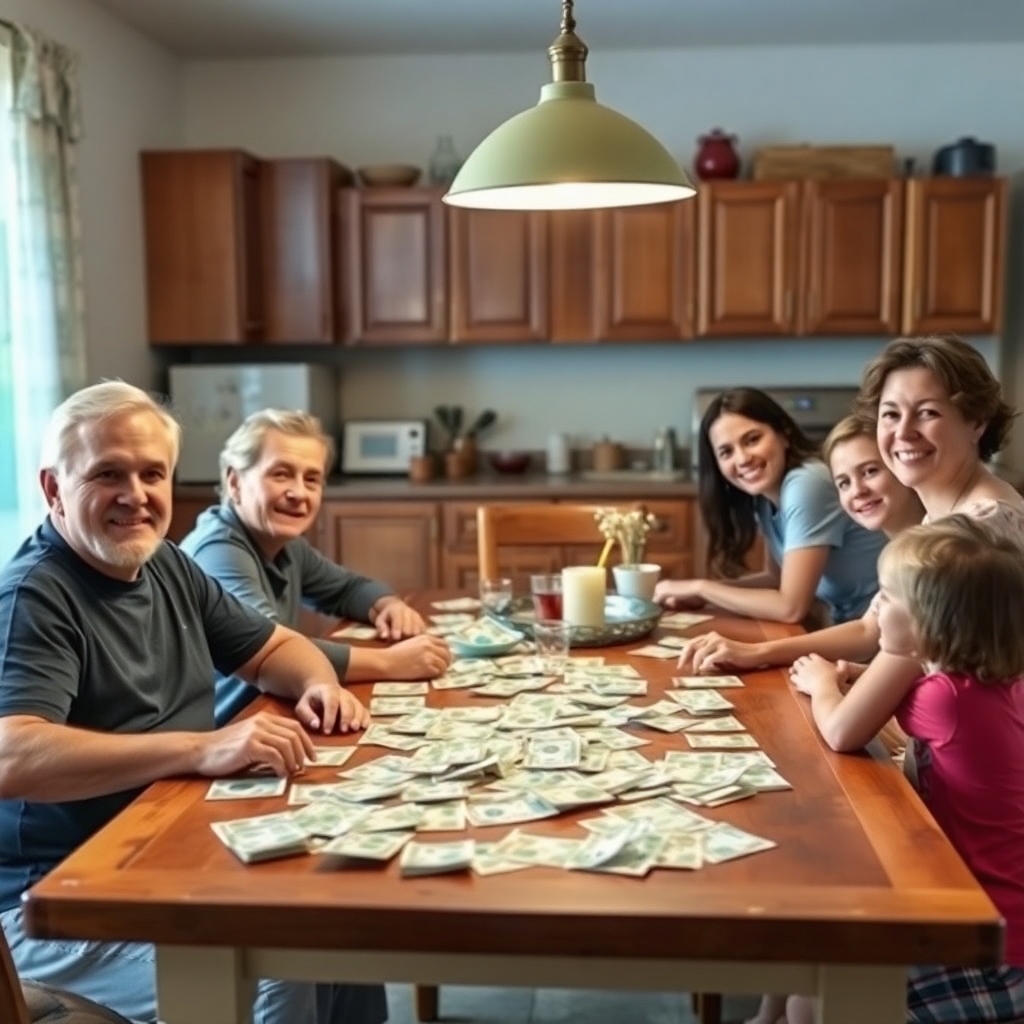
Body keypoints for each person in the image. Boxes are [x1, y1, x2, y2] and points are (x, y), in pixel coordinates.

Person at [0, 381, 383, 1024]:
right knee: (282, 967)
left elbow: (275, 650)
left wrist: (318, 684)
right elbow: (12, 753)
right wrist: (203, 748)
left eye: (153, 473)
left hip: (163, 855)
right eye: (107, 473)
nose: (136, 495)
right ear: (52, 489)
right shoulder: (35, 597)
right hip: (54, 906)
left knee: (344, 929)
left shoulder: (167, 566)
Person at [789, 516, 1024, 1024]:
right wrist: (856, 673)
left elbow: (842, 730)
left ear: (931, 626)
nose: (875, 603)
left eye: (889, 596)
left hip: (989, 944)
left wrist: (824, 682)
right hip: (985, 911)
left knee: (808, 997)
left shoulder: (946, 699)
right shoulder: (981, 682)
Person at [793, 333, 1024, 752]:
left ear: (976, 421)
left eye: (927, 413)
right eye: (890, 414)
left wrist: (823, 683)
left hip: (970, 799)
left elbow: (845, 731)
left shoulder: (971, 535)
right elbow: (942, 668)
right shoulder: (949, 518)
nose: (903, 433)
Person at [180, 409, 451, 726]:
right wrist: (390, 662)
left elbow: (347, 588)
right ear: (235, 482)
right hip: (222, 735)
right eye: (281, 474)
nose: (298, 493)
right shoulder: (218, 551)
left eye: (312, 479)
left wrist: (387, 604)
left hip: (271, 714)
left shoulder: (284, 542)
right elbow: (273, 650)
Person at [679, 415, 922, 676]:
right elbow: (868, 631)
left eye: (870, 471)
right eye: (843, 483)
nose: (858, 490)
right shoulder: (899, 552)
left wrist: (705, 590)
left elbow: (793, 607)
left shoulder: (927, 553)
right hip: (861, 654)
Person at [653, 388, 885, 626]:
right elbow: (776, 580)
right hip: (845, 631)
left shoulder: (806, 483)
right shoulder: (765, 499)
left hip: (883, 637)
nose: (742, 459)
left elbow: (790, 608)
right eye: (726, 452)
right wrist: (701, 594)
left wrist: (701, 588)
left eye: (752, 440)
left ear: (783, 434)